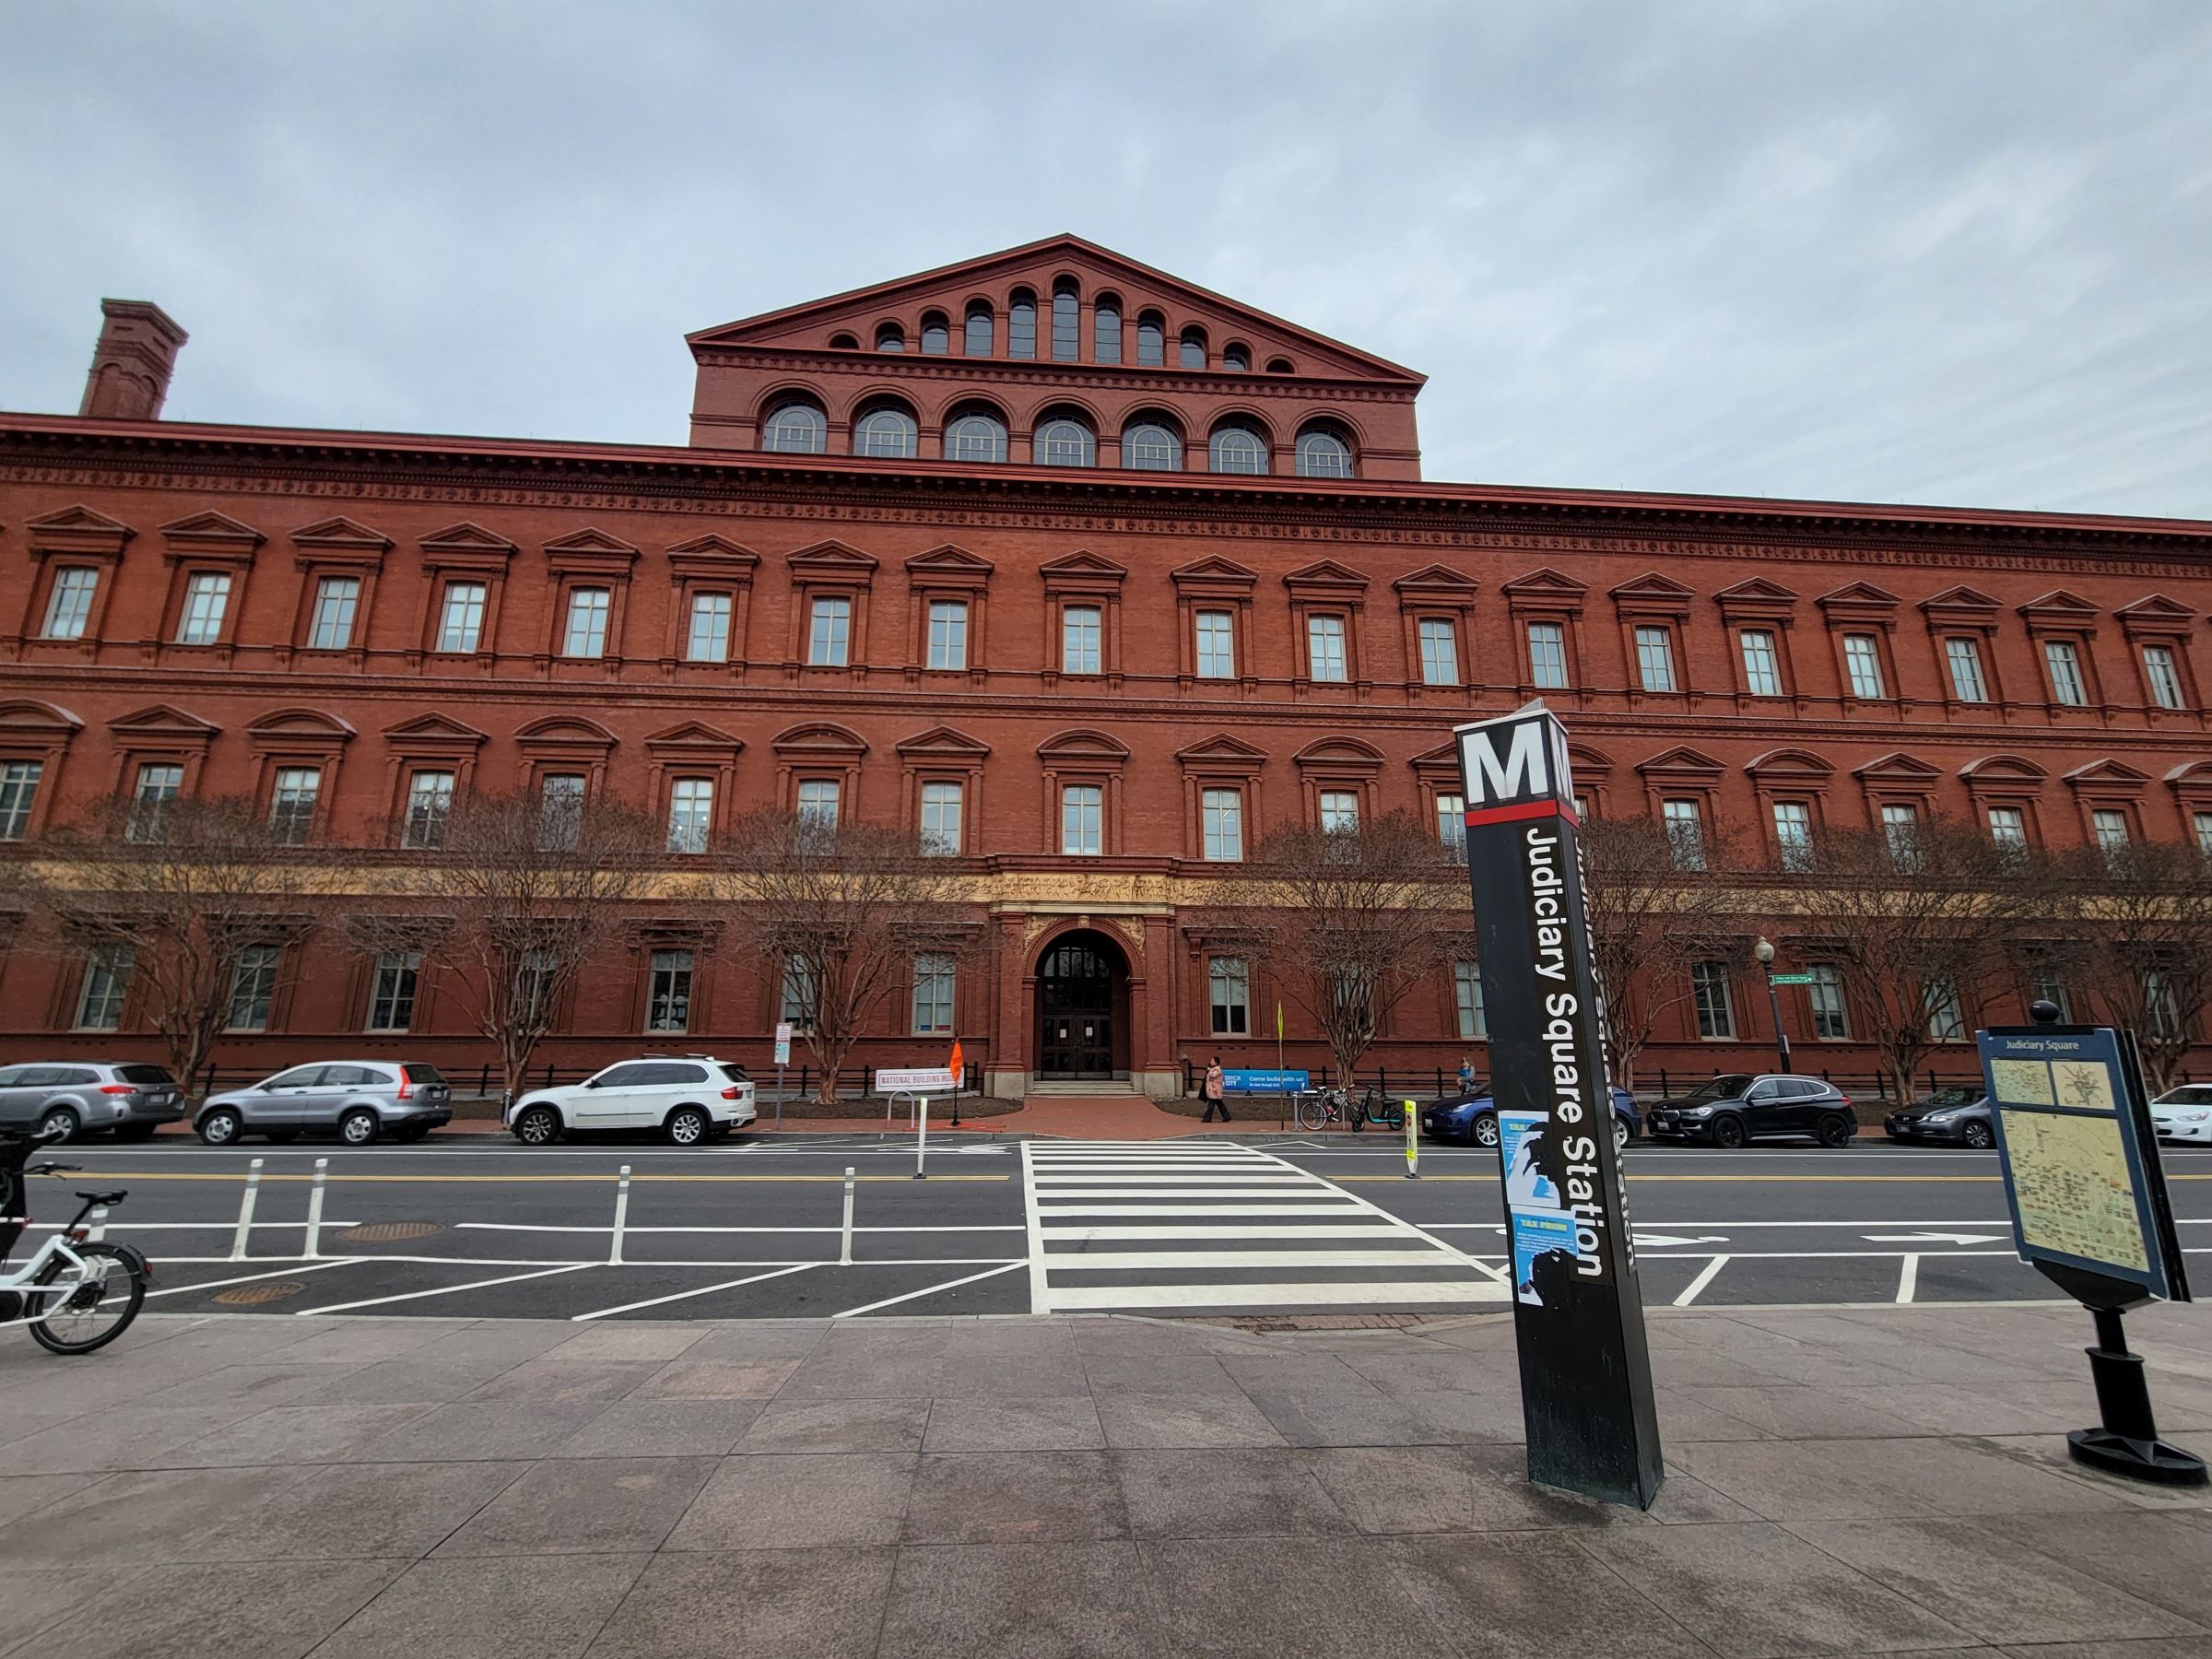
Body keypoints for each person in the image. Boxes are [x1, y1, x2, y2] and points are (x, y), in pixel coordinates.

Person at [1201, 1056, 1230, 1123]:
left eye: (1212, 1060)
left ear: (1215, 1062)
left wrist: (1209, 1070)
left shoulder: (1217, 1069)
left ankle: (1207, 1118)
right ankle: (1226, 1116)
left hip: (1215, 1090)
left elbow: (1213, 1075)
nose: (1211, 1062)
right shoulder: (1214, 1069)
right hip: (1213, 1090)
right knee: (1220, 1104)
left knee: (1211, 1104)